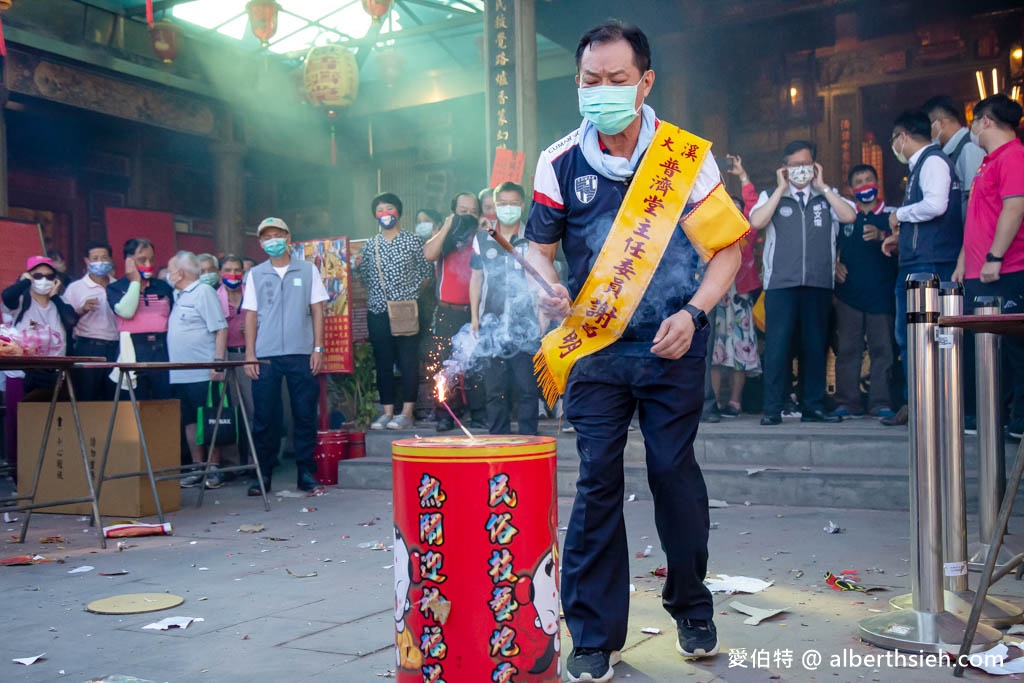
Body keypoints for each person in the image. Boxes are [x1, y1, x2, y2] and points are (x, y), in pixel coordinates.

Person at [525, 20, 747, 681]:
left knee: (672, 469)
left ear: (645, 82)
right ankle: (592, 632)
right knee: (596, 478)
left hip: (671, 340)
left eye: (617, 81)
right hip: (594, 348)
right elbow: (537, 251)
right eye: (590, 82)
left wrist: (693, 310)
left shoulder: (683, 157)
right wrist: (547, 285)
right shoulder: (559, 159)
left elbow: (727, 249)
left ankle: (690, 601)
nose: (602, 92)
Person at [749, 140, 857, 426]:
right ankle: (772, 408)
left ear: (815, 166)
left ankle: (813, 406)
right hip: (780, 284)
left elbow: (849, 216)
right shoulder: (770, 195)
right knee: (777, 346)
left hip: (818, 283)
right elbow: (757, 222)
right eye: (795, 165)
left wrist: (822, 187)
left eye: (806, 164)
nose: (801, 170)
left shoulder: (826, 196)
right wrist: (781, 189)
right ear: (784, 168)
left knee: (815, 345)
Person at [880, 109, 962, 425]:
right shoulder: (921, 165)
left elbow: (935, 205)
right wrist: (901, 240)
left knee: (928, 334)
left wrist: (899, 215)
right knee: (909, 335)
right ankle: (916, 402)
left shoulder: (934, 162)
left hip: (932, 262)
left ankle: (933, 404)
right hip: (917, 260)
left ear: (902, 137)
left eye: (893, 140)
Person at [953, 94, 1024, 440]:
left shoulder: (1013, 156)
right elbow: (980, 218)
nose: (972, 130)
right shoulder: (987, 162)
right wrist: (964, 261)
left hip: (1006, 269)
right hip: (980, 271)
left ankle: (1019, 420)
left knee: (1014, 348)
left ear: (986, 121)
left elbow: (1014, 208)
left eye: (973, 122)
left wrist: (994, 257)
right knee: (985, 348)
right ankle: (989, 416)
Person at [243, 217, 328, 495]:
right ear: (260, 243)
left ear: (289, 238)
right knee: (265, 416)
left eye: (277, 235)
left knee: (305, 413)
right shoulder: (255, 274)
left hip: (301, 352)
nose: (273, 241)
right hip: (265, 356)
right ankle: (263, 474)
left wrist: (318, 348)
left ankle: (305, 472)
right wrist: (250, 354)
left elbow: (317, 310)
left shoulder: (307, 270)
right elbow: (251, 316)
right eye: (267, 237)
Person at [354, 193, 433, 430]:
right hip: (377, 310)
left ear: (398, 212)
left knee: (408, 360)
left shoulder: (414, 241)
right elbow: (364, 277)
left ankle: (407, 412)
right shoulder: (370, 245)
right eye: (380, 210)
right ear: (375, 216)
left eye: (389, 208)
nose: (385, 214)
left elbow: (427, 274)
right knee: (383, 361)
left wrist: (410, 296)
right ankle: (387, 412)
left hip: (407, 309)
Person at [470, 181, 540, 435]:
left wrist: (542, 319)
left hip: (525, 321)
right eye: (502, 204)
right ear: (494, 206)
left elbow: (540, 279)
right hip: (492, 321)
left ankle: (529, 440)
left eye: (513, 203)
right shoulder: (483, 238)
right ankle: (498, 440)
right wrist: (475, 319)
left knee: (526, 387)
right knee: (494, 388)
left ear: (522, 205)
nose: (508, 208)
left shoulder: (533, 237)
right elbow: (476, 278)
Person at [832, 164, 898, 418]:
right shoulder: (845, 215)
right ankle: (847, 403)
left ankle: (881, 402)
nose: (864, 185)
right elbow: (830, 247)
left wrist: (885, 236)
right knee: (848, 350)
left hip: (882, 294)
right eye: (858, 181)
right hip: (849, 295)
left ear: (877, 183)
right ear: (850, 189)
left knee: (883, 349)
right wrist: (834, 265)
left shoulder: (892, 215)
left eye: (868, 179)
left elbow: (905, 247)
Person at [424, 191, 488, 430]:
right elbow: (429, 253)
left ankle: (479, 413)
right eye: (463, 211)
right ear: (453, 212)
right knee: (444, 364)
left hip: (474, 312)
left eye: (473, 211)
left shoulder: (481, 237)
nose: (468, 216)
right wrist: (448, 226)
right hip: (446, 311)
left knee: (476, 364)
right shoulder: (445, 236)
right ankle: (445, 414)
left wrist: (484, 229)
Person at [166, 251, 228, 489]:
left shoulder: (203, 292)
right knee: (190, 421)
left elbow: (220, 328)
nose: (169, 273)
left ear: (179, 272)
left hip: (203, 370)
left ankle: (213, 468)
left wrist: (218, 362)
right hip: (180, 371)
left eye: (170, 268)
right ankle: (197, 466)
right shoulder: (178, 294)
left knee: (210, 420)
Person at [709, 155, 762, 417]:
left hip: (740, 297)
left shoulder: (747, 235)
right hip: (716, 297)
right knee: (716, 351)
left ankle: (735, 402)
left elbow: (754, 208)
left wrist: (742, 177)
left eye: (737, 207)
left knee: (743, 349)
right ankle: (716, 401)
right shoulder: (711, 235)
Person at [107, 238, 175, 400]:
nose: (148, 263)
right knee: (134, 402)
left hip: (161, 350)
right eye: (142, 260)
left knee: (164, 402)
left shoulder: (163, 287)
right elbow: (126, 312)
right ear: (129, 261)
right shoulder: (116, 287)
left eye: (151, 259)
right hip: (133, 348)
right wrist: (135, 282)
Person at [63, 240, 119, 401]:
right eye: (95, 258)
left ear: (110, 260)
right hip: (88, 347)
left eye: (104, 257)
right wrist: (82, 310)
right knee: (87, 397)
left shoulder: (118, 285)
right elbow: (66, 320)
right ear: (87, 261)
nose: (100, 262)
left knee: (113, 397)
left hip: (115, 348)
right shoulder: (76, 288)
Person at [217, 254, 254, 466]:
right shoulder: (214, 296)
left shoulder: (251, 294)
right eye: (228, 270)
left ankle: (253, 460)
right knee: (228, 410)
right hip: (225, 356)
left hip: (247, 355)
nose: (233, 274)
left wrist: (254, 326)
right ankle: (231, 463)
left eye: (237, 270)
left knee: (252, 410)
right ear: (220, 273)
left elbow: (265, 317)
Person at [923, 95, 986, 217]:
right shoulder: (949, 151)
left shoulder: (969, 147)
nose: (928, 133)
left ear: (940, 123)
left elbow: (975, 199)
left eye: (929, 126)